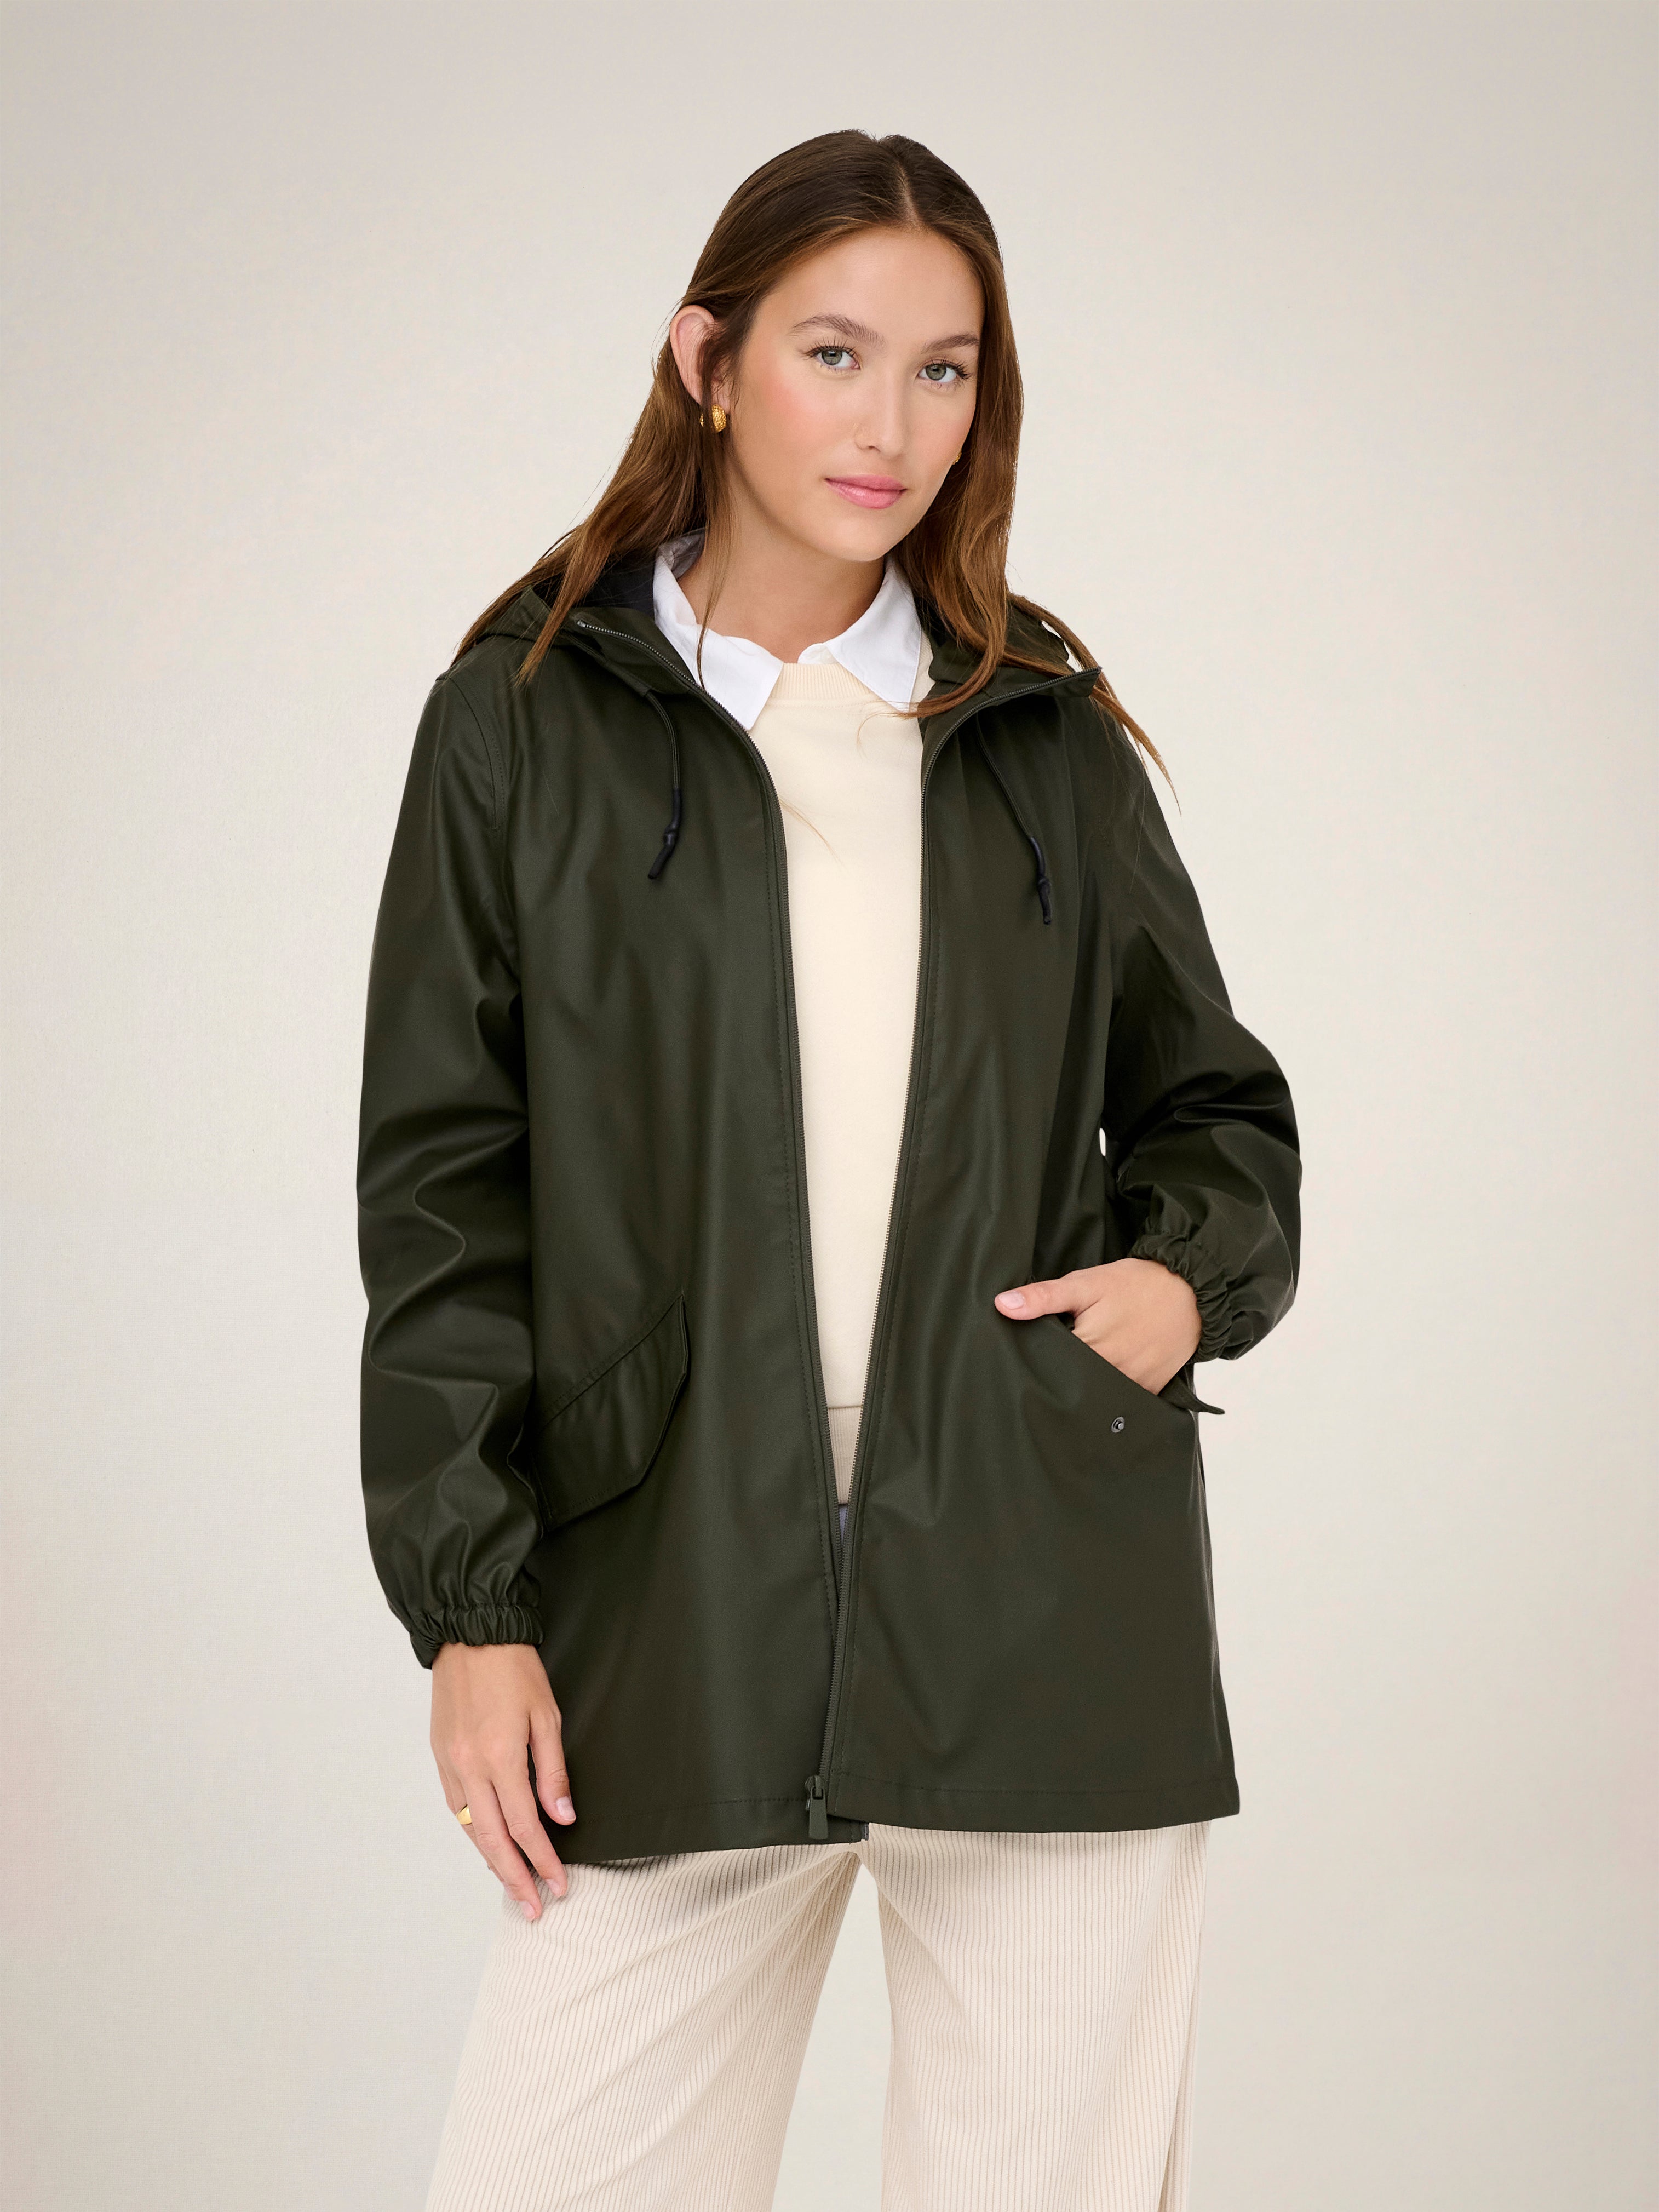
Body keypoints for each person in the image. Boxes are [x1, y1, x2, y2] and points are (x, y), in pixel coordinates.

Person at [357, 128, 1300, 2212]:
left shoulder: (1038, 732)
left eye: (946, 370)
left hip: (1043, 1572)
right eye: (835, 353)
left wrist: (1179, 1284)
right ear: (708, 362)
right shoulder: (520, 724)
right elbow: (444, 1197)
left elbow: (1216, 1108)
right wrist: (471, 1612)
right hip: (669, 1590)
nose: (893, 426)